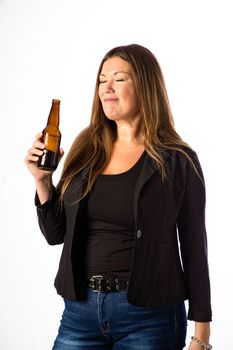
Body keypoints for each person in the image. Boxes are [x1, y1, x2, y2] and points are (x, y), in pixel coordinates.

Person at [25, 44, 212, 350]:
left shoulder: (178, 160)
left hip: (149, 316)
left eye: (119, 79)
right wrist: (43, 181)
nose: (107, 88)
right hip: (79, 313)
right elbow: (56, 233)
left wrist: (201, 335)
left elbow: (194, 246)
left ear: (145, 86)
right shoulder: (86, 148)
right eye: (102, 80)